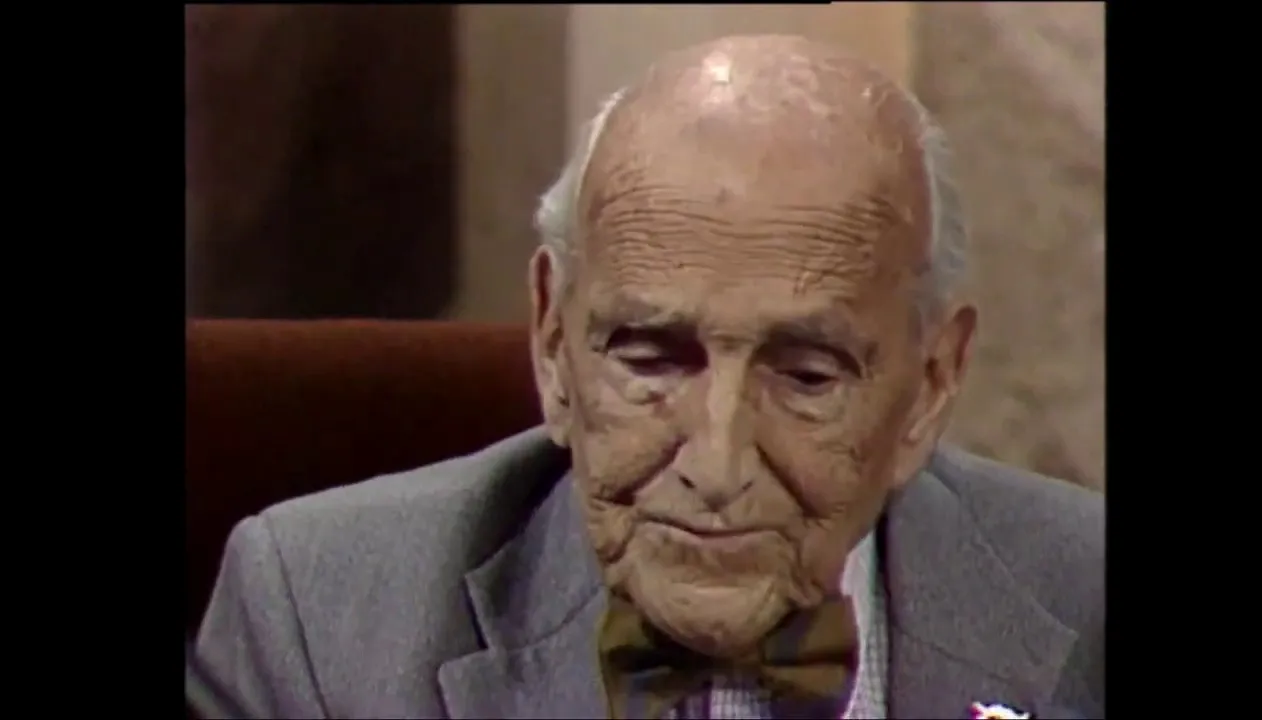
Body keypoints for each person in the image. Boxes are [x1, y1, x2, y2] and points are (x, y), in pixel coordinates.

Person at [190, 35, 1104, 720]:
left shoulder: (1086, 597)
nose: (717, 465)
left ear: (931, 385)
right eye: (651, 359)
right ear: (554, 343)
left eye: (806, 375)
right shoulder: (318, 624)